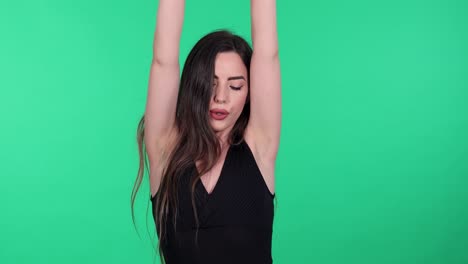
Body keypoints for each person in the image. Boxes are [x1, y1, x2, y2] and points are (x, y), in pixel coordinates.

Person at [131, 0, 281, 263]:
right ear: (192, 85)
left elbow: (268, 55)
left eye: (235, 87)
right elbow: (163, 61)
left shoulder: (259, 147)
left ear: (249, 95)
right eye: (209, 84)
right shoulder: (165, 149)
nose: (220, 97)